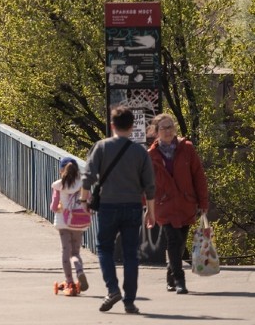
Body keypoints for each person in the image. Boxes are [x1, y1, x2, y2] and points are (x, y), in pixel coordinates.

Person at [80, 106, 156, 315]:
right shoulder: (140, 152)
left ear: (112, 125)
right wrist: (151, 211)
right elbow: (149, 185)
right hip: (133, 206)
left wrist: (84, 201)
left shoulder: (101, 147)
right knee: (131, 254)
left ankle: (112, 289)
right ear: (132, 127)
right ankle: (129, 301)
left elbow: (88, 177)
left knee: (104, 248)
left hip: (108, 206)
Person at [147, 113, 209, 295]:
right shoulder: (151, 155)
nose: (168, 131)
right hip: (164, 206)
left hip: (185, 203)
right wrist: (148, 207)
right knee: (173, 241)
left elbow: (198, 176)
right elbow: (146, 183)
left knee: (180, 243)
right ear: (156, 132)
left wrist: (203, 202)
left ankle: (170, 275)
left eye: (170, 127)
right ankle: (180, 280)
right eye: (163, 128)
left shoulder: (187, 148)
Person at [50, 156, 89, 296]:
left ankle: (69, 282)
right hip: (79, 222)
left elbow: (54, 207)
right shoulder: (82, 184)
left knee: (66, 251)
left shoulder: (59, 186)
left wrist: (59, 207)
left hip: (63, 223)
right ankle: (79, 271)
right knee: (76, 253)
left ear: (62, 170)